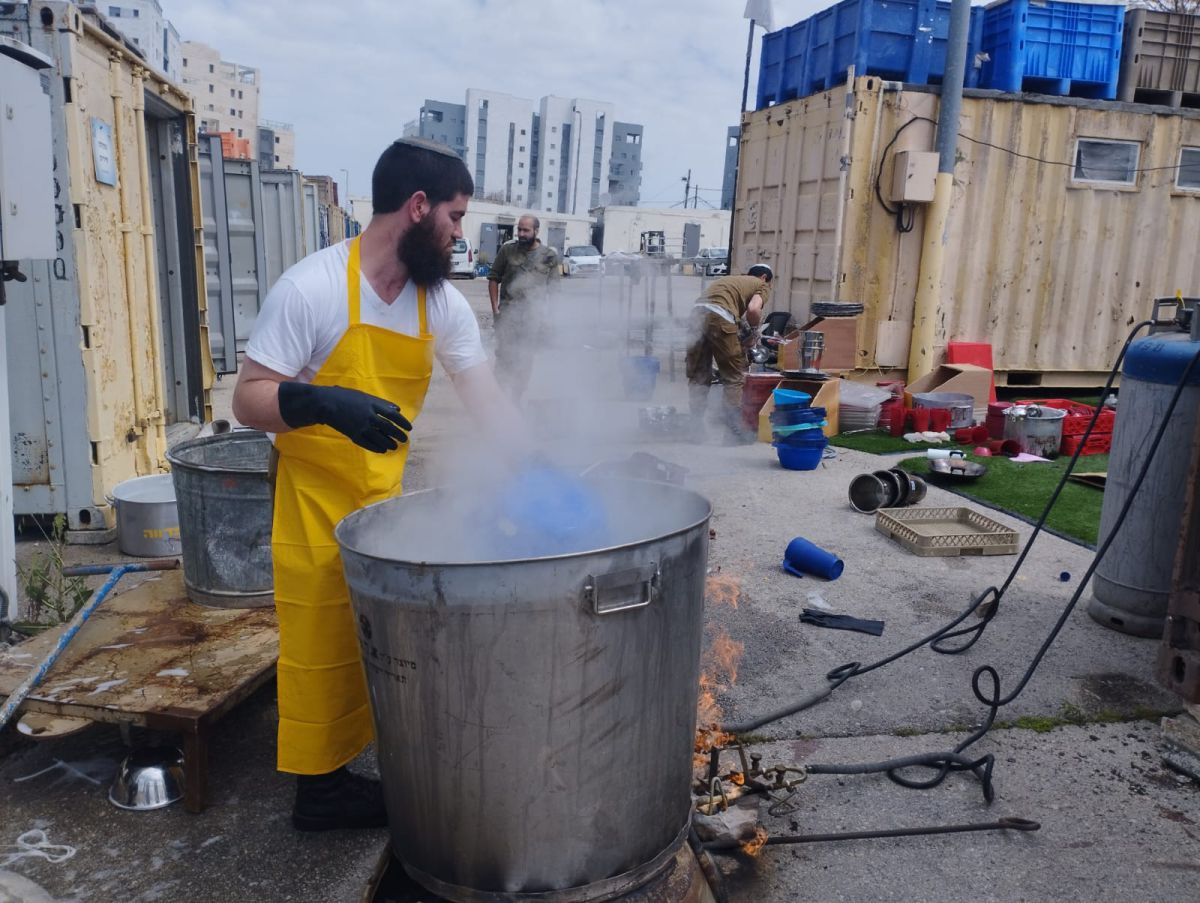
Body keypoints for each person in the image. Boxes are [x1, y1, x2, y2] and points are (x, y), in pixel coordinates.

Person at [232, 138, 521, 831]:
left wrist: (539, 472)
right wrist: (323, 402)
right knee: (319, 639)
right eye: (454, 215)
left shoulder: (440, 305)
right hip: (311, 495)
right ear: (418, 207)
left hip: (384, 502)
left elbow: (488, 401)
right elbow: (248, 399)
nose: (458, 232)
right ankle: (321, 791)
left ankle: (374, 759)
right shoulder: (314, 287)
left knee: (383, 644)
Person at [685, 265, 774, 443]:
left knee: (699, 375)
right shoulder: (761, 285)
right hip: (719, 318)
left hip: (696, 316)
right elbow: (753, 309)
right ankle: (733, 433)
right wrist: (755, 332)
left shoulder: (731, 281)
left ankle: (695, 430)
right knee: (733, 377)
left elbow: (728, 314)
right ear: (764, 277)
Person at [487, 215, 560, 400]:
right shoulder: (507, 251)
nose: (521, 233)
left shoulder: (548, 256)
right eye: (519, 229)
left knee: (525, 359)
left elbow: (555, 290)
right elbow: (493, 278)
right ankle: (498, 400)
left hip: (533, 318)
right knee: (504, 357)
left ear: (536, 231)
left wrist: (550, 318)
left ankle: (516, 398)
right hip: (508, 316)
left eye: (525, 230)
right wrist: (495, 309)